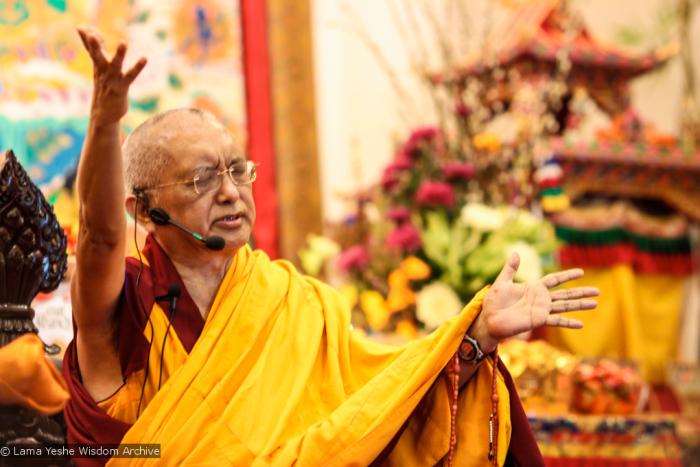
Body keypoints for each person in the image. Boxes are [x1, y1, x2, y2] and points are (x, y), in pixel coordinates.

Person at [63, 28, 599, 467]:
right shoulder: (124, 313)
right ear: (143, 210)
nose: (230, 191)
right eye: (202, 178)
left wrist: (474, 334)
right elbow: (98, 236)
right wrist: (105, 122)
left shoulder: (291, 303)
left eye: (235, 169)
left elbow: (372, 408)